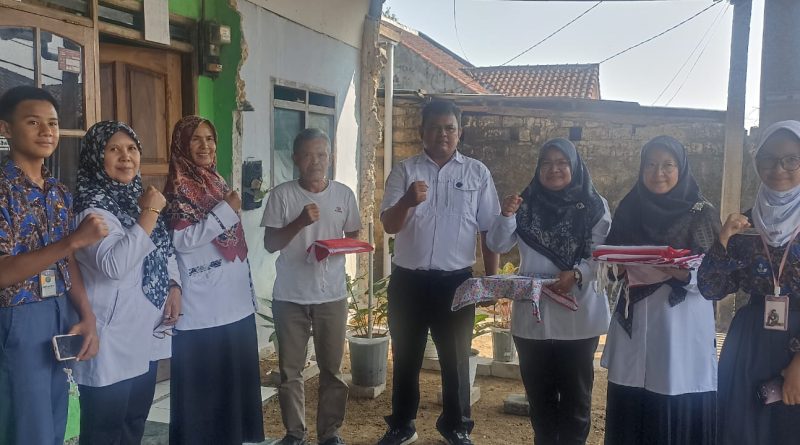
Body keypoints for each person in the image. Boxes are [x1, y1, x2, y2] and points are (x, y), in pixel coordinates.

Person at [376, 100, 500, 445]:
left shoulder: (477, 173)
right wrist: (407, 203)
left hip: (456, 282)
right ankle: (401, 425)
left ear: (460, 133)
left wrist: (489, 281)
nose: (442, 134)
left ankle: (456, 427)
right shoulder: (404, 171)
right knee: (406, 355)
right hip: (409, 282)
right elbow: (388, 224)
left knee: (456, 358)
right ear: (422, 133)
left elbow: (489, 230)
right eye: (435, 127)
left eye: (449, 128)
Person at [487, 138, 611, 445]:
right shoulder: (525, 205)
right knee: (540, 401)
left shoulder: (595, 206)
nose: (554, 170)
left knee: (576, 402)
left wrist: (578, 273)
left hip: (578, 314)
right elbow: (498, 245)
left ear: (575, 166)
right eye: (547, 164)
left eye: (562, 163)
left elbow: (604, 255)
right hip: (534, 318)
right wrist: (506, 216)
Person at [0, 85, 103, 445]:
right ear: (6, 129)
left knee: (58, 417)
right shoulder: (3, 189)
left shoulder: (58, 191)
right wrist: (71, 241)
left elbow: (67, 258)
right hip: (19, 313)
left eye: (53, 123)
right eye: (33, 122)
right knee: (28, 424)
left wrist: (86, 315)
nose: (47, 131)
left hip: (60, 309)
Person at [601, 135, 719, 445]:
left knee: (673, 395)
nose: (658, 173)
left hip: (680, 321)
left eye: (668, 165)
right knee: (632, 398)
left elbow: (715, 274)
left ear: (681, 168)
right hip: (635, 315)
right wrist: (618, 268)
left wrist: (679, 272)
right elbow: (612, 262)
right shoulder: (630, 206)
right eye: (650, 165)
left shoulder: (701, 211)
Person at [71, 121, 182, 444]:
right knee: (104, 432)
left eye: (131, 149)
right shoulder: (91, 209)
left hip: (144, 331)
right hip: (110, 339)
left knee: (134, 422)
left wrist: (174, 285)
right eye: (113, 149)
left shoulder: (135, 197)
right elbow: (115, 265)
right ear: (96, 156)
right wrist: (149, 213)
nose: (126, 157)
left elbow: (162, 250)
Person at [698, 120, 800, 444]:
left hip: (796, 341)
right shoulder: (745, 223)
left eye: (791, 160)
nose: (778, 168)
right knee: (744, 431)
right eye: (768, 159)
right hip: (750, 344)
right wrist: (723, 240)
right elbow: (711, 288)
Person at [164, 115, 264, 445]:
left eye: (209, 138)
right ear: (181, 145)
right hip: (202, 308)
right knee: (203, 395)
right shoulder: (179, 188)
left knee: (231, 390)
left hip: (234, 303)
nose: (205, 145)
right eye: (196, 139)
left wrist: (225, 207)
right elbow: (180, 241)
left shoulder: (217, 182)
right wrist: (224, 211)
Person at [262, 128, 361, 445]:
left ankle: (330, 433)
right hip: (290, 297)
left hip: (332, 295)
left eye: (321, 154)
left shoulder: (344, 195)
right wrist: (300, 223)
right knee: (291, 372)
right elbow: (270, 243)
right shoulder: (282, 195)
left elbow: (354, 238)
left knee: (332, 370)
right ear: (295, 159)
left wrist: (335, 247)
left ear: (330, 158)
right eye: (307, 154)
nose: (315, 161)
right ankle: (295, 433)